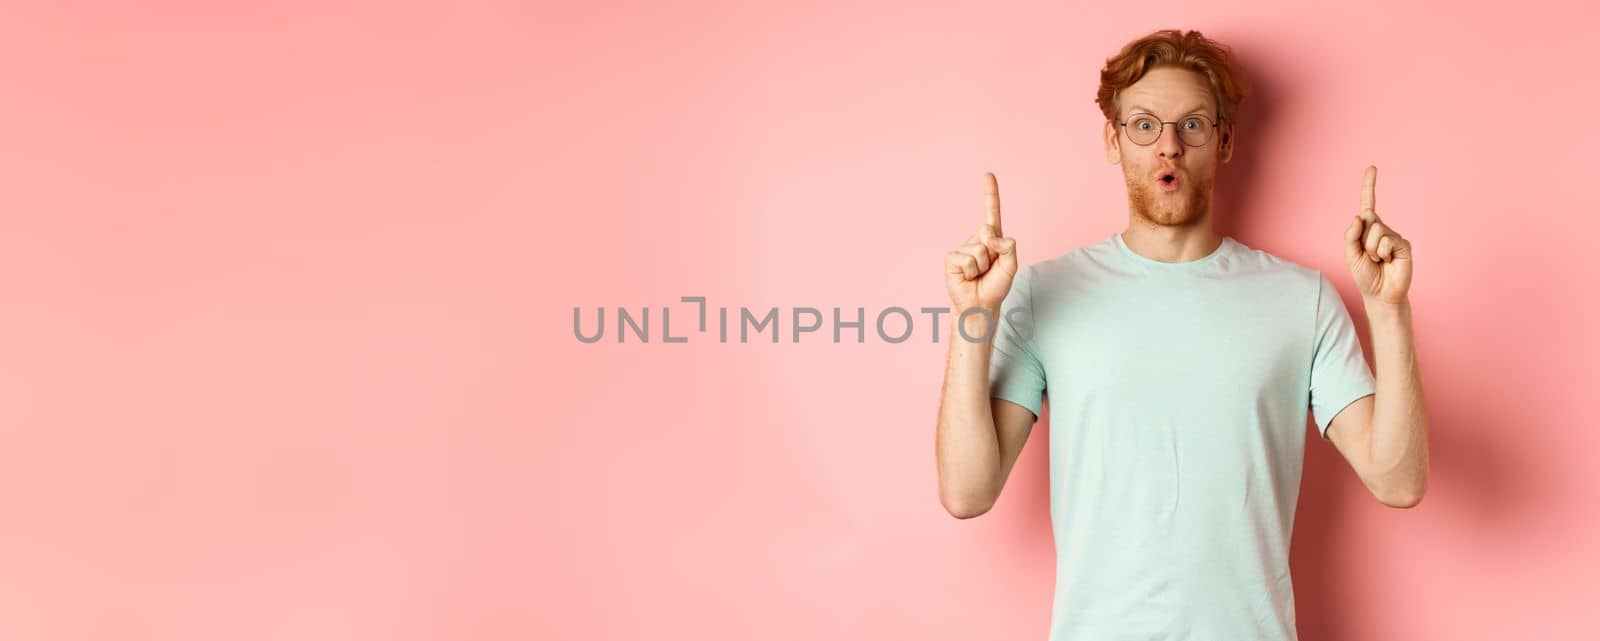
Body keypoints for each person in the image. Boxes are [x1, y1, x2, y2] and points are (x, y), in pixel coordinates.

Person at [933, 29, 1430, 641]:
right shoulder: (1041, 293)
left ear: (1224, 141)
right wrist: (971, 317)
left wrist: (1388, 310)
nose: (1168, 146)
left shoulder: (1301, 300)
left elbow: (1398, 480)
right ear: (1113, 141)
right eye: (1144, 125)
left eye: (1192, 125)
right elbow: (967, 490)